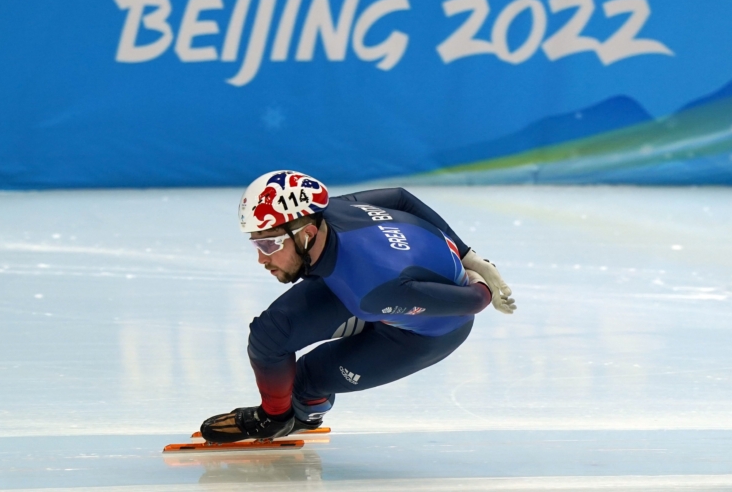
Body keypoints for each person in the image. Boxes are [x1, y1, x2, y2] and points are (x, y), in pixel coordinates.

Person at [200, 170, 516, 442]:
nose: (261, 258)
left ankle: (304, 414)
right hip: (379, 285)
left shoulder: (372, 289)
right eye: (256, 244)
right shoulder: (330, 212)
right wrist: (468, 255)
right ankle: (276, 418)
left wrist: (481, 280)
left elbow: (470, 303)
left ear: (307, 235)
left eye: (268, 244)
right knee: (270, 335)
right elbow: (400, 198)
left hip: (426, 329)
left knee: (306, 380)